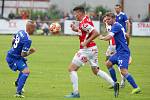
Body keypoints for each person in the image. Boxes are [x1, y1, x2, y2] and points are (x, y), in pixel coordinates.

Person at [64, 6, 119, 98]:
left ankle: (76, 93)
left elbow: (96, 33)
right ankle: (114, 84)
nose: (75, 15)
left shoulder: (84, 23)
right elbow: (85, 32)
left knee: (71, 69)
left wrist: (86, 42)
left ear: (80, 13)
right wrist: (75, 29)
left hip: (87, 50)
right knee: (96, 71)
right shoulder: (85, 20)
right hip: (93, 49)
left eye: (76, 13)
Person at [99, 12, 141, 94]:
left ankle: (136, 87)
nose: (107, 21)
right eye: (106, 19)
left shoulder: (116, 26)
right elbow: (127, 36)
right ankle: (115, 83)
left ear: (114, 18)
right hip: (120, 51)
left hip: (123, 52)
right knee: (108, 63)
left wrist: (102, 38)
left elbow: (109, 37)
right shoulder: (117, 25)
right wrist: (127, 45)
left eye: (109, 19)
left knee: (123, 71)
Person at [6, 20, 36, 98]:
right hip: (13, 58)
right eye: (34, 28)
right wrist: (31, 52)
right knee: (26, 71)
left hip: (13, 54)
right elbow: (23, 54)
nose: (35, 29)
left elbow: (13, 40)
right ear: (29, 28)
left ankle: (17, 82)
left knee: (24, 67)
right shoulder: (28, 40)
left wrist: (14, 50)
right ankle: (18, 93)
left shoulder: (21, 32)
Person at [114, 4, 132, 87]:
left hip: (122, 37)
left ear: (120, 8)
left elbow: (128, 23)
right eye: (115, 8)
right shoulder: (115, 16)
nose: (116, 9)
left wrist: (127, 32)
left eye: (118, 8)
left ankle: (122, 78)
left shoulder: (123, 15)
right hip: (116, 38)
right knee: (111, 59)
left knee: (121, 55)